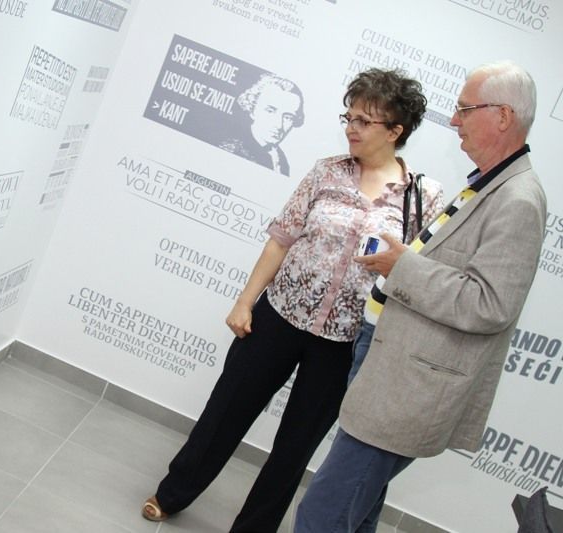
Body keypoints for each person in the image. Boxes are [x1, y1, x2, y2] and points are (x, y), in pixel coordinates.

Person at [141, 68, 444, 533]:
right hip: (279, 315)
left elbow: (416, 275)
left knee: (295, 447)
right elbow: (280, 241)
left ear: (395, 131)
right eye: (349, 117)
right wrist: (245, 302)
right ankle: (172, 493)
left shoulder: (422, 198)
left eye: (364, 121)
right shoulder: (326, 171)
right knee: (225, 412)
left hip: (344, 342)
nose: (351, 128)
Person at [294, 60, 547, 533]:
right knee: (356, 512)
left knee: (322, 516)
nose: (453, 120)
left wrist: (402, 266)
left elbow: (491, 304)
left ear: (503, 116)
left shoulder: (517, 200)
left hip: (408, 391)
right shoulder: (490, 184)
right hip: (390, 370)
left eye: (465, 110)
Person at [219, 73, 305, 176]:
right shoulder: (232, 149)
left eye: (288, 117)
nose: (279, 125)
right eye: (270, 111)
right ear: (252, 110)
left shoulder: (280, 158)